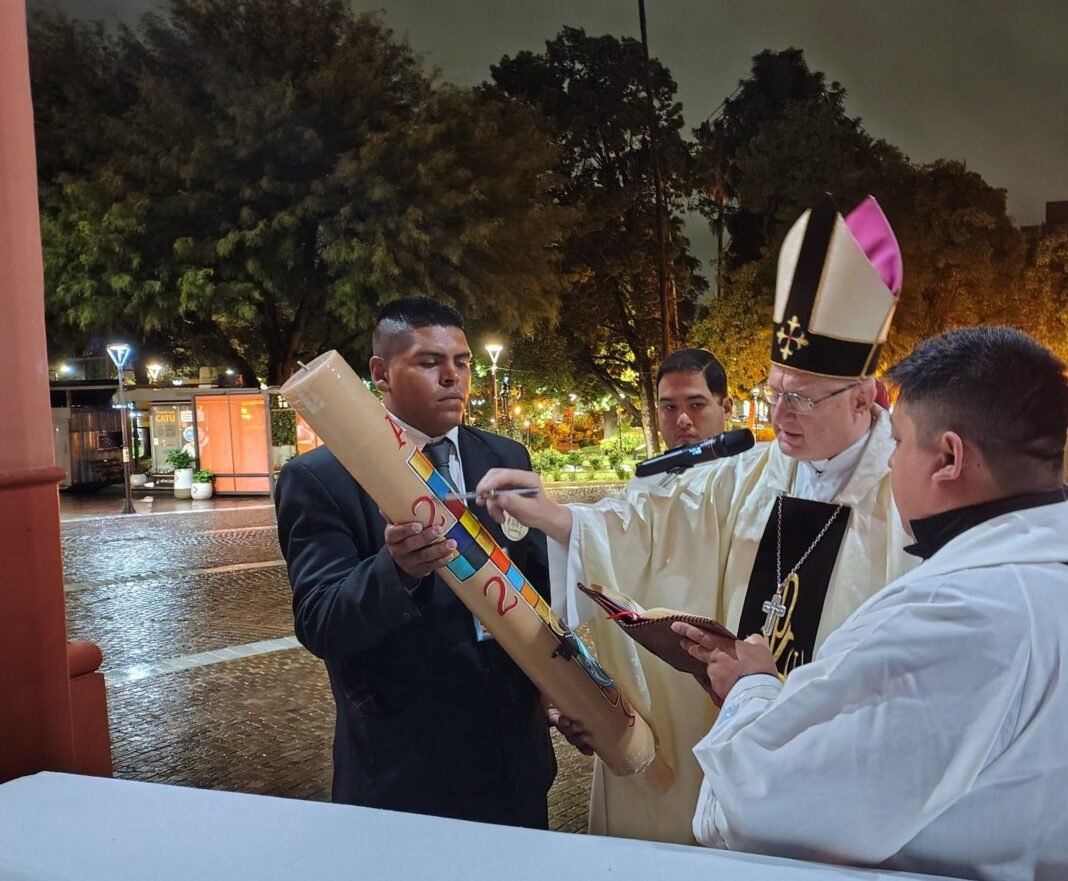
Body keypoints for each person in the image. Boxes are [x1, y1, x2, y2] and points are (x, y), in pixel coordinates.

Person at [477, 196, 915, 844]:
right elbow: (659, 515)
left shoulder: (908, 496)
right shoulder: (759, 471)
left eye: (801, 396)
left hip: (838, 773)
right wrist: (564, 519)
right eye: (774, 391)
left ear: (865, 396)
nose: (782, 411)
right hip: (737, 733)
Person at [682, 326, 1068, 881]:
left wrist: (751, 688)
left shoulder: (958, 616)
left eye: (901, 443)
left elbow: (765, 810)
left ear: (949, 458)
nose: (890, 463)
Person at [274, 297, 556, 828]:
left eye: (462, 362)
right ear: (381, 372)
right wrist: (396, 570)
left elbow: (538, 585)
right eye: (430, 363)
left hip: (513, 755)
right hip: (404, 765)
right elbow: (319, 620)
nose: (453, 377)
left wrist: (566, 692)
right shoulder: (322, 478)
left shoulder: (505, 457)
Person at [655, 348, 733, 450]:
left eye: (696, 405)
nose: (682, 420)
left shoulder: (754, 464)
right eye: (670, 407)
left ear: (727, 409)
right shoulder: (650, 466)